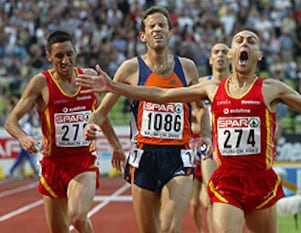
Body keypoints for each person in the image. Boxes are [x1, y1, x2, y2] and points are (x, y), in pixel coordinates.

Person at [76, 30, 301, 233]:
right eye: (238, 40)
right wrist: (114, 86)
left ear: (258, 55)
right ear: (232, 54)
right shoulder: (210, 89)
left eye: (251, 40)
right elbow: (162, 94)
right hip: (227, 182)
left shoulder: (270, 89)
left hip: (261, 181)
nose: (244, 43)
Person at [82, 6, 211, 233]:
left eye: (162, 25)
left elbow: (201, 108)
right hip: (144, 156)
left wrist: (207, 135)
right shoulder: (131, 69)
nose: (157, 29)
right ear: (143, 36)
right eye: (152, 26)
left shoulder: (187, 68)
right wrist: (91, 124)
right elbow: (102, 112)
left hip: (178, 155)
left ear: (171, 33)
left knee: (170, 229)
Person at [5, 30, 125, 233]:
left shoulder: (88, 78)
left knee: (78, 217)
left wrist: (116, 145)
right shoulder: (41, 83)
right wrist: (23, 137)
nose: (65, 60)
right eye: (59, 56)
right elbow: (11, 121)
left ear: (76, 51)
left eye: (69, 54)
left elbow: (101, 114)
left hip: (82, 162)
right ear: (49, 56)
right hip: (53, 164)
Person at [190, 42, 231, 233]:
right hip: (209, 145)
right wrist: (202, 126)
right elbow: (189, 117)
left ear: (231, 57)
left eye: (224, 52)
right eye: (216, 52)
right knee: (211, 196)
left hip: (233, 147)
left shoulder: (238, 83)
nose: (220, 55)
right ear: (211, 59)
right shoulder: (200, 84)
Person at [8, 108, 39, 178]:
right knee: (29, 159)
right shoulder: (27, 125)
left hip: (27, 145)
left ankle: (11, 171)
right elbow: (25, 136)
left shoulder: (30, 125)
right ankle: (36, 172)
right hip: (25, 145)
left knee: (20, 160)